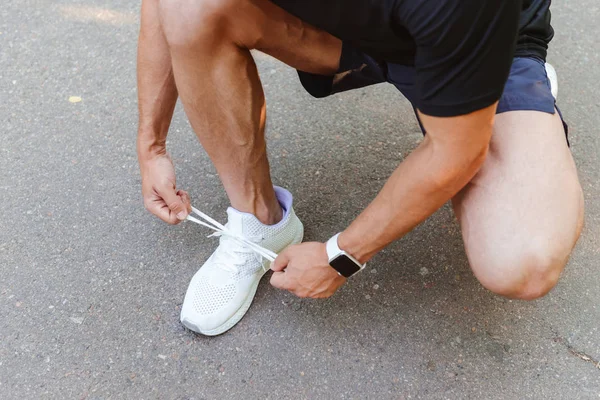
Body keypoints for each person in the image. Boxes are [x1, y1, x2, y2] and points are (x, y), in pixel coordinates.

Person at [137, 0, 584, 336]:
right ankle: (259, 223)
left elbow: (456, 152)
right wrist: (152, 146)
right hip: (352, 30)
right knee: (193, 7)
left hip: (481, 42)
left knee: (522, 260)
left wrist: (340, 256)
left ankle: (481, 100)